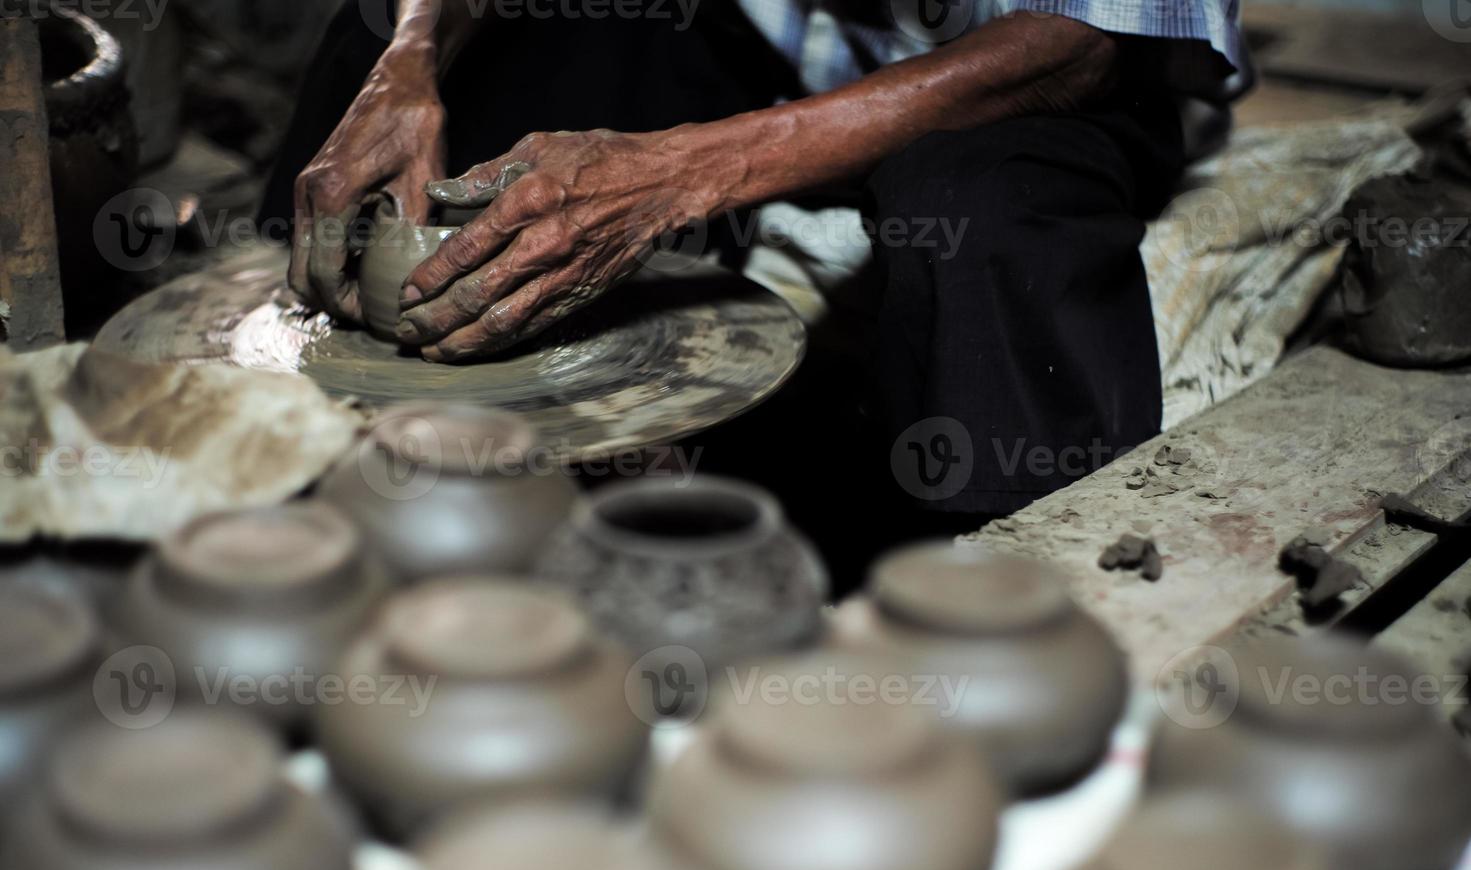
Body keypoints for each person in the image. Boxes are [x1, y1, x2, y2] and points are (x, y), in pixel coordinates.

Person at [262, 0, 1244, 582]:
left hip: (1016, 68)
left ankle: (1003, 618)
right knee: (388, 49)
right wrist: (411, 54)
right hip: (752, 40)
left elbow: (1087, 39)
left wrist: (687, 170)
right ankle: (297, 497)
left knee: (977, 207)